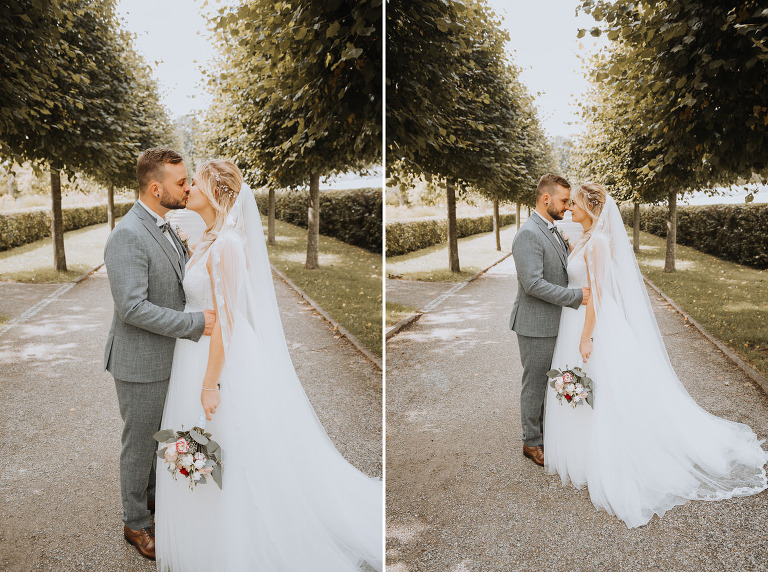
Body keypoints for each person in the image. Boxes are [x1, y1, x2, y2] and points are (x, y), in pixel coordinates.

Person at [154, 159, 382, 571]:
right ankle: (202, 531)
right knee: (194, 443)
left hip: (216, 362)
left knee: (225, 445)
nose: (188, 189)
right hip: (192, 354)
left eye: (197, 184)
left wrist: (210, 383)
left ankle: (238, 541)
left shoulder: (229, 246)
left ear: (218, 193)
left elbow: (227, 318)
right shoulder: (207, 237)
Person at [544, 182, 768, 528]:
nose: (569, 209)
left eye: (574, 204)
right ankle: (585, 453)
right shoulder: (587, 239)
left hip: (592, 326)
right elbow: (581, 273)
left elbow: (598, 296)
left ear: (590, 208)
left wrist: (587, 337)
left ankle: (616, 458)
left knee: (605, 389)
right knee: (587, 388)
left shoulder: (600, 243)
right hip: (574, 321)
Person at [104, 148, 216, 560]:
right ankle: (135, 522)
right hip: (141, 362)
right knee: (139, 443)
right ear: (156, 188)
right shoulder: (127, 235)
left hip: (171, 359)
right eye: (181, 182)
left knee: (165, 436)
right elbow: (131, 308)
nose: (188, 187)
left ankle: (158, 499)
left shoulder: (164, 225)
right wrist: (194, 325)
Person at [509, 174, 590, 467]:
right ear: (546, 199)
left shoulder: (551, 229)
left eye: (570, 202)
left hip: (555, 321)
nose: (568, 207)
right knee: (535, 383)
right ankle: (531, 442)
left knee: (552, 381)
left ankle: (548, 431)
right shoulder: (529, 233)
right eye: (564, 201)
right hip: (535, 324)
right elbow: (532, 284)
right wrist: (575, 297)